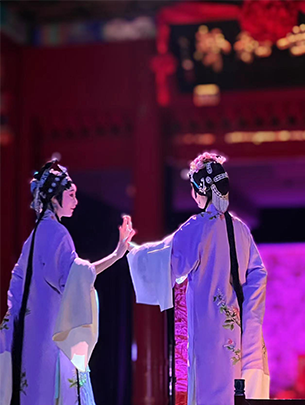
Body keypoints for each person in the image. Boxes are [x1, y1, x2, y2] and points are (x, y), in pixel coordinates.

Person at [127, 152, 269, 405]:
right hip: (243, 331)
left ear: (198, 191)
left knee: (212, 393)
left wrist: (134, 252)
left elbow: (170, 260)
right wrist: (250, 315)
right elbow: (258, 275)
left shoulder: (198, 226)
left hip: (211, 333)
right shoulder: (241, 229)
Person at [0, 160, 134, 405]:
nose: (76, 200)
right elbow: (77, 278)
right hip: (53, 335)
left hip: (32, 337)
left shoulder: (34, 236)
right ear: (54, 198)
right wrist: (117, 254)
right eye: (70, 194)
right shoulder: (56, 232)